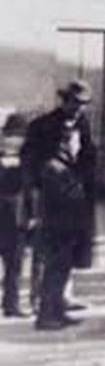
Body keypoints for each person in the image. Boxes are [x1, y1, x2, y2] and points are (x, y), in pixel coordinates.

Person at [23, 80, 98, 321]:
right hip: (51, 201)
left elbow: (88, 159)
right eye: (75, 103)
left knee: (66, 257)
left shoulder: (83, 126)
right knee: (52, 256)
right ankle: (46, 314)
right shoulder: (42, 126)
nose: (79, 108)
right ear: (64, 100)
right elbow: (30, 164)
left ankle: (57, 309)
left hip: (76, 201)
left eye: (83, 104)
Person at [1, 113, 32, 318]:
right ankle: (10, 304)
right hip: (10, 216)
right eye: (11, 135)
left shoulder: (28, 159)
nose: (15, 140)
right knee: (14, 264)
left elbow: (29, 190)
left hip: (17, 217)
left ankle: (11, 304)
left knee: (14, 264)